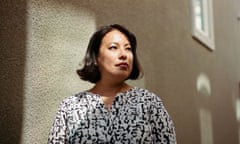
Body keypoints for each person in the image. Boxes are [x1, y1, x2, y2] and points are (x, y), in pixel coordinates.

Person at [48, 24, 176, 144]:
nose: (124, 55)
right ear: (96, 57)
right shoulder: (69, 107)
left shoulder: (149, 102)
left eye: (128, 49)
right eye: (113, 47)